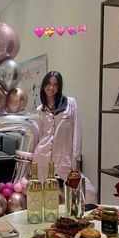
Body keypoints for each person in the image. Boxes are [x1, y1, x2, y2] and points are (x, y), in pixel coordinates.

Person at [32, 71, 96, 203]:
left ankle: (81, 218)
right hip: (42, 157)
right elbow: (38, 136)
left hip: (64, 159)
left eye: (55, 84)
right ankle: (50, 222)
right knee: (45, 196)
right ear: (44, 86)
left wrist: (75, 159)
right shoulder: (40, 110)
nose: (51, 87)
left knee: (89, 192)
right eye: (49, 83)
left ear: (59, 87)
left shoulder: (70, 104)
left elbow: (77, 132)